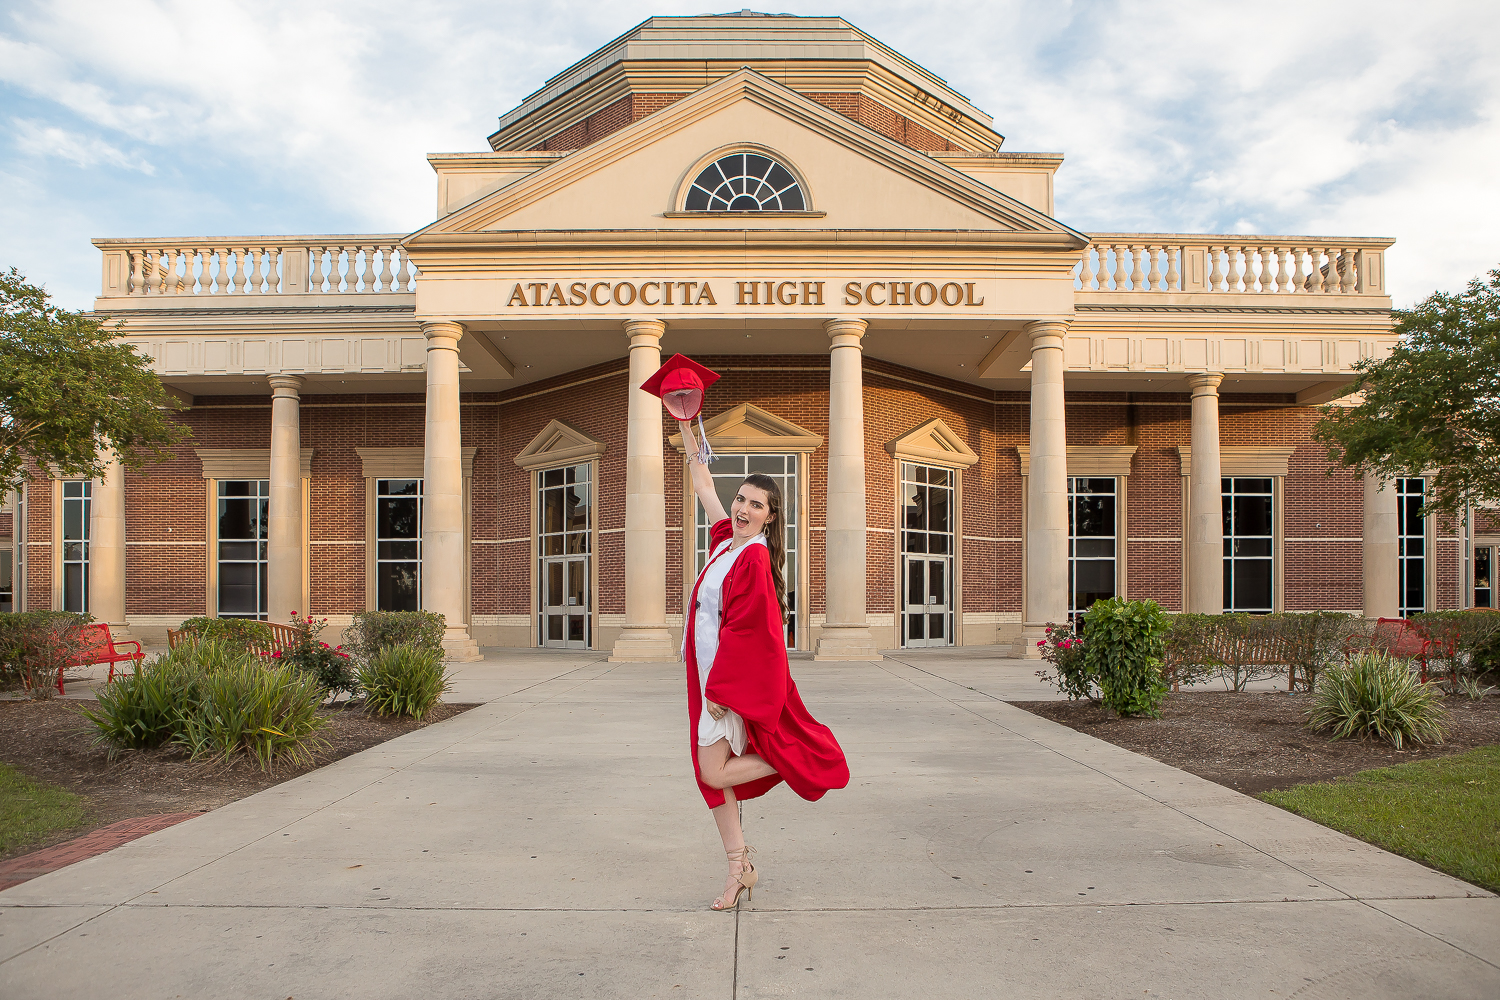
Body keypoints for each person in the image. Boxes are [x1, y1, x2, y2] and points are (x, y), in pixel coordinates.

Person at [677, 417, 850, 912]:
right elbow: (704, 482)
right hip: (705, 678)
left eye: (756, 504)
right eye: (741, 499)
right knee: (707, 775)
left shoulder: (751, 558)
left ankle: (790, 759)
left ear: (771, 517)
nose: (743, 508)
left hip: (722, 688)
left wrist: (721, 693)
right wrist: (688, 427)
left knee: (712, 774)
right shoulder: (726, 543)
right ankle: (739, 870)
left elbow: (750, 632)